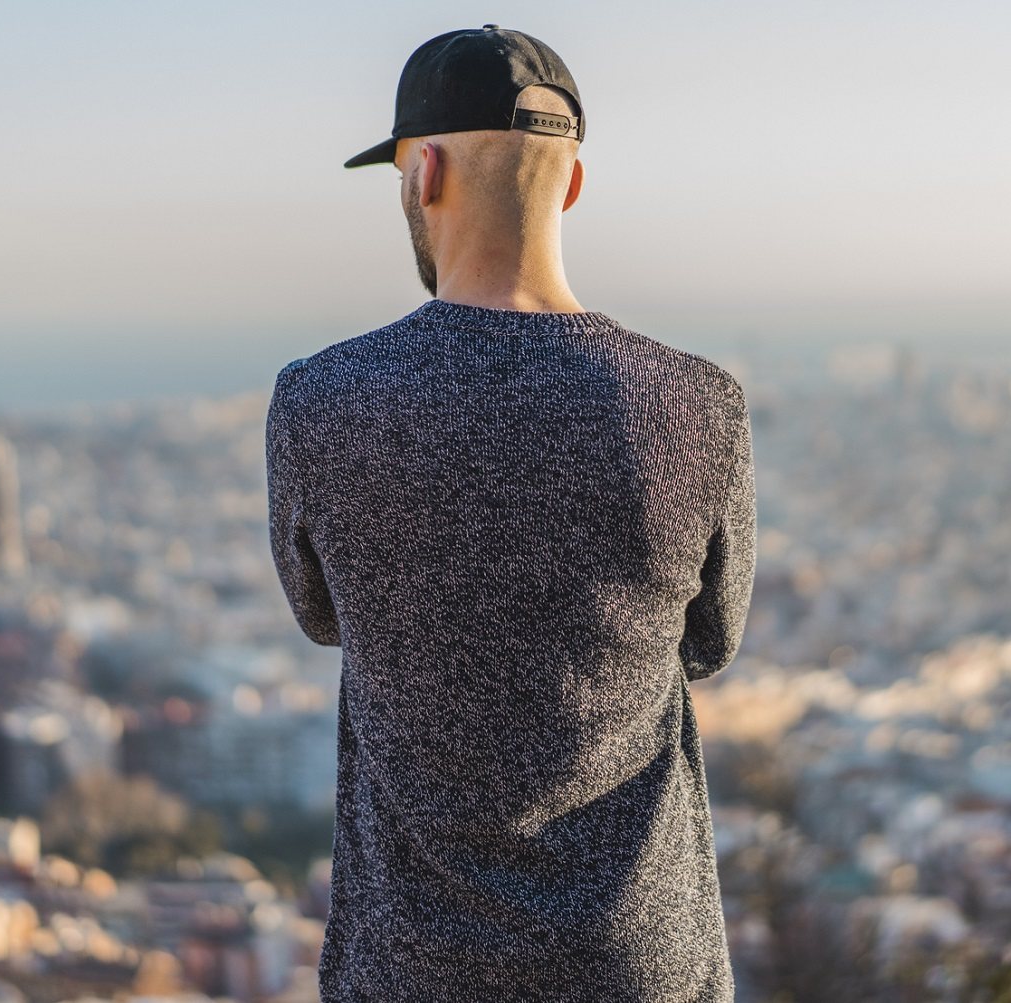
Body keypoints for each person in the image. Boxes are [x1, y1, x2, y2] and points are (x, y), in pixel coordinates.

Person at [266, 24, 757, 1003]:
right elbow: (710, 642)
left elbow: (326, 619)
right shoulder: (698, 405)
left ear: (424, 174)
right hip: (638, 967)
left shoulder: (322, 402)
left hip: (415, 970)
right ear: (571, 184)